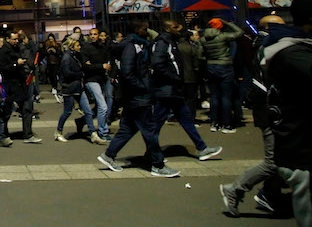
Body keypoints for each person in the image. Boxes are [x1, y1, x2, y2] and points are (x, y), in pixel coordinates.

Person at [253, 0, 312, 227]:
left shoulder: (285, 47)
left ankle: (262, 192)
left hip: (294, 142)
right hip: (302, 149)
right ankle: (241, 191)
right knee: (270, 163)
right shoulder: (288, 52)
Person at [219, 14, 286, 218]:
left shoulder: (263, 44)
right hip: (270, 109)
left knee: (284, 158)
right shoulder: (269, 46)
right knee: (273, 160)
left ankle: (269, 193)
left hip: (270, 107)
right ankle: (237, 188)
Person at [97, 21, 180, 178]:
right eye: (143, 28)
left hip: (134, 97)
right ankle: (158, 165)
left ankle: (109, 155)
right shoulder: (132, 46)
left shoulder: (136, 45)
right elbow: (127, 73)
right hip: (138, 97)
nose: (146, 30)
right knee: (149, 131)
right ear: (136, 30)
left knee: (127, 129)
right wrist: (143, 87)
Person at [150, 20, 223, 161]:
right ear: (167, 28)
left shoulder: (169, 41)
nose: (178, 29)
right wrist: (174, 77)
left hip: (171, 88)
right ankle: (152, 153)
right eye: (175, 27)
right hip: (167, 89)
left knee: (184, 118)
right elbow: (158, 64)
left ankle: (202, 147)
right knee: (157, 123)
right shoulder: (163, 43)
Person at [201, 17, 244, 133]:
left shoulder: (203, 38)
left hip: (210, 67)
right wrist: (227, 22)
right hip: (225, 66)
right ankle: (226, 124)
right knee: (226, 96)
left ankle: (214, 123)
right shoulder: (223, 36)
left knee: (214, 96)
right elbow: (240, 32)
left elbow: (200, 55)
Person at [54, 38, 95, 142]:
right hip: (69, 88)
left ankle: (93, 133)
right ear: (72, 47)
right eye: (77, 45)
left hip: (78, 87)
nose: (79, 47)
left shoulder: (75, 56)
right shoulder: (67, 57)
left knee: (88, 111)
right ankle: (58, 132)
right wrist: (80, 74)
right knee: (67, 112)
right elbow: (67, 73)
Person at [80, 28, 111, 144]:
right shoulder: (86, 48)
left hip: (101, 78)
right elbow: (86, 66)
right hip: (91, 80)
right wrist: (101, 66)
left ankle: (82, 121)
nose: (93, 36)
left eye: (95, 34)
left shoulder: (102, 47)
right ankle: (103, 131)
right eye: (91, 34)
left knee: (101, 105)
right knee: (103, 106)